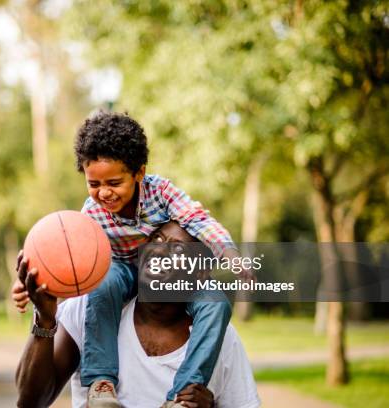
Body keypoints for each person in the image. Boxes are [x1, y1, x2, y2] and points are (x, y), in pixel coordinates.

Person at [14, 111, 251, 407]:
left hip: (178, 285)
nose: (104, 193)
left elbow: (198, 220)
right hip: (121, 271)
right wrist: (32, 287)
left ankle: (182, 394)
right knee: (105, 282)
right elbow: (68, 254)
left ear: (139, 173)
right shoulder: (91, 215)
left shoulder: (162, 193)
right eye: (94, 184)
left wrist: (229, 253)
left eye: (114, 182)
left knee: (216, 303)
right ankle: (101, 383)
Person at [14, 222, 260, 408]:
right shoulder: (89, 308)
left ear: (200, 274)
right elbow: (30, 401)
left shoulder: (220, 337)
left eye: (176, 248)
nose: (158, 251)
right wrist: (45, 320)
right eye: (156, 238)